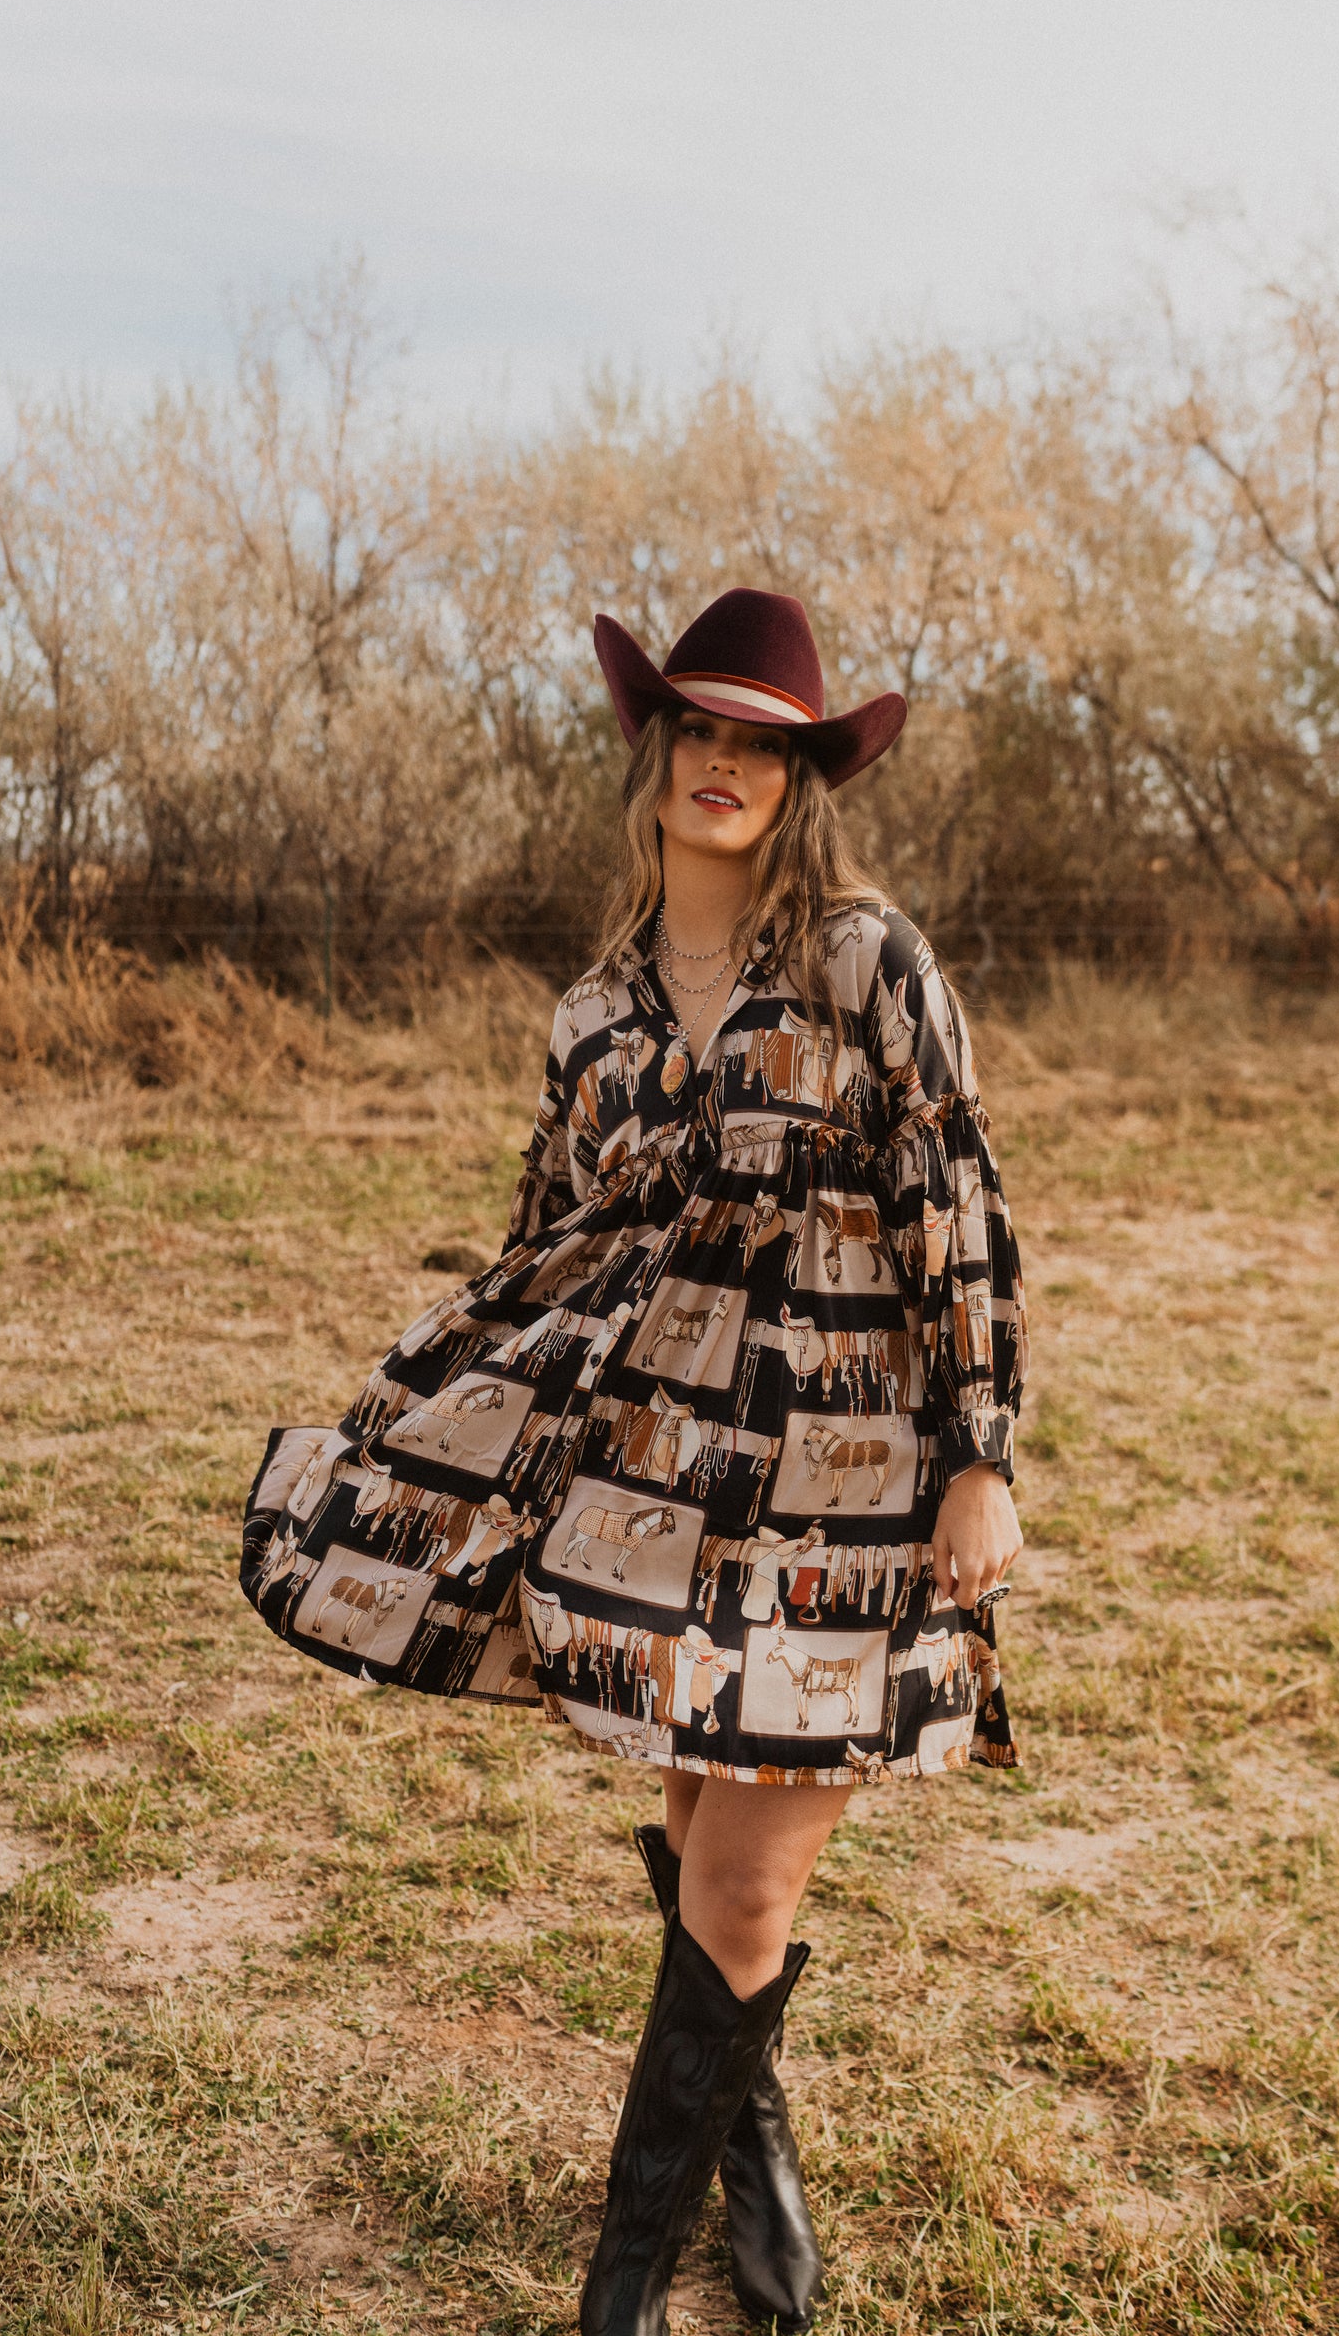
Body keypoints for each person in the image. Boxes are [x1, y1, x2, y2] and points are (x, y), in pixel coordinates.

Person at [239, 587, 1029, 2336]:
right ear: (657, 751)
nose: (725, 763)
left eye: (764, 744)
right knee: (697, 1850)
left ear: (801, 779)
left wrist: (982, 1451)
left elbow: (955, 1200)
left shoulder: (866, 962)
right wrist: (451, 1433)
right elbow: (549, 1248)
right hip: (664, 1492)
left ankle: (620, 2287)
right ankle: (759, 2167)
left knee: (741, 1879)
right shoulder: (592, 1012)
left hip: (850, 1489)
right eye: (702, 730)